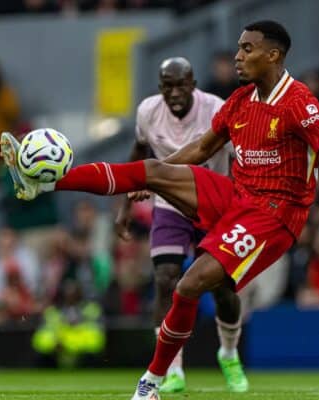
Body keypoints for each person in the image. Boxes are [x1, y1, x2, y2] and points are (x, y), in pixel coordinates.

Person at [0, 20, 319, 400]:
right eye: (238, 48)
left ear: (273, 55)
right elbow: (202, 150)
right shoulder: (240, 101)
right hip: (237, 193)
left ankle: (151, 383)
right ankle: (43, 182)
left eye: (247, 49)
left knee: (189, 285)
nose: (238, 56)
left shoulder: (297, 101)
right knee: (153, 169)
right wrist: (154, 177)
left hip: (274, 213)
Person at [114, 57, 247, 393]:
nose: (173, 93)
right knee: (164, 279)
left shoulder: (216, 109)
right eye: (166, 86)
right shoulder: (147, 111)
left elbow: (237, 158)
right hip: (169, 206)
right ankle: (172, 369)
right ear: (159, 87)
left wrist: (241, 208)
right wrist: (125, 205)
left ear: (193, 83)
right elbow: (139, 150)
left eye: (180, 85)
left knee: (223, 289)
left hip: (213, 205)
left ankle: (228, 353)